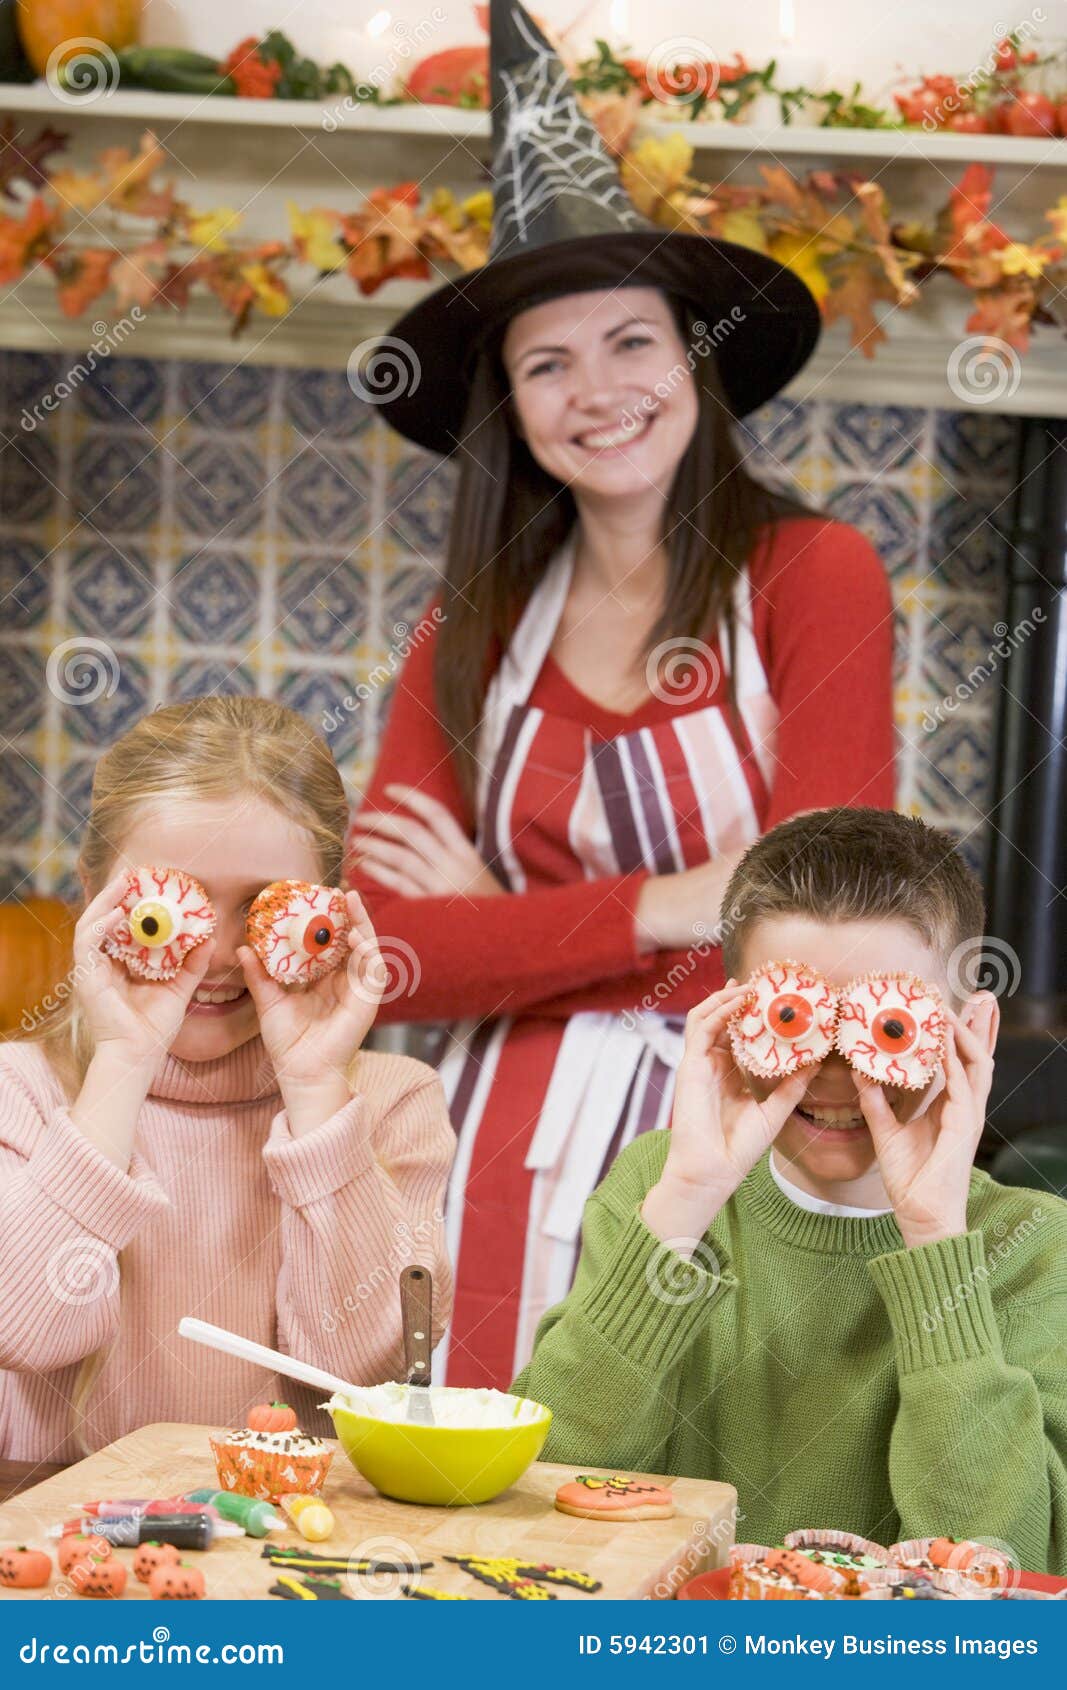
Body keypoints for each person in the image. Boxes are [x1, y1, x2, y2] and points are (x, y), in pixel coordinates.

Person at [348, 0, 895, 1388]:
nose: (596, 390)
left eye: (631, 342)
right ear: (510, 409)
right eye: (546, 361)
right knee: (460, 1538)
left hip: (733, 1166)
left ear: (693, 363)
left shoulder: (811, 577)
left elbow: (818, 947)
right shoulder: (464, 631)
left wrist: (501, 923)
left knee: (682, 1542)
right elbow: (389, 955)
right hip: (469, 1163)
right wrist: (675, 901)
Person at [513, 806, 1067, 1573]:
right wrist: (687, 1200)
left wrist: (936, 1236)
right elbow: (548, 1485)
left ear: (971, 1030)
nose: (833, 1072)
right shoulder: (659, 1186)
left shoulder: (1036, 1248)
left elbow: (1003, 1566)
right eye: (792, 1020)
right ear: (730, 1018)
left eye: (887, 1027)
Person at [0, 697, 454, 1462]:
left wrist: (314, 1091)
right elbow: (28, 1327)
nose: (213, 956)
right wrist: (122, 1065)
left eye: (264, 908)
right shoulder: (23, 1092)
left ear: (334, 916)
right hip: (60, 1550)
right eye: (169, 907)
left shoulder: (389, 1102)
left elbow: (370, 1372)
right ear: (93, 894)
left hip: (291, 1549)